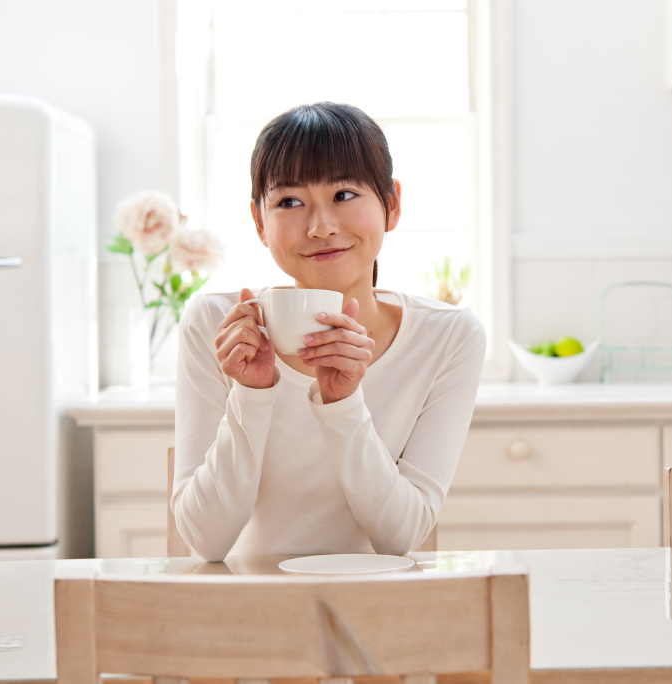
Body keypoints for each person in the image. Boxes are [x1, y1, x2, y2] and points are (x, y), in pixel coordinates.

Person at [171, 102, 486, 562]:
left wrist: (343, 406)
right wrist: (252, 394)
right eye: (290, 202)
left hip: (377, 612)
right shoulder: (216, 323)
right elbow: (205, 541)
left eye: (344, 195)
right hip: (243, 614)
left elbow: (400, 537)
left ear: (392, 205)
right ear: (260, 222)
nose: (320, 227)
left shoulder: (449, 338)